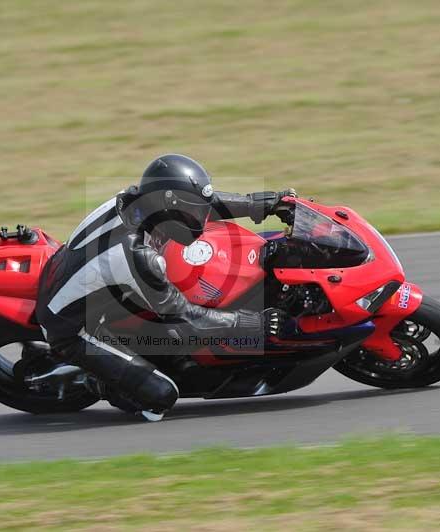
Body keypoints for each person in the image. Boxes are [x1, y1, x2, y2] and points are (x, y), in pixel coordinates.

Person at [36, 154, 294, 420]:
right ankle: (87, 381)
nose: (201, 218)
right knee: (162, 396)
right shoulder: (138, 255)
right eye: (192, 212)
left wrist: (259, 204)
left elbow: (203, 203)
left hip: (89, 281)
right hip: (75, 329)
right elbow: (185, 316)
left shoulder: (137, 199)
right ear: (168, 207)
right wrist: (252, 325)